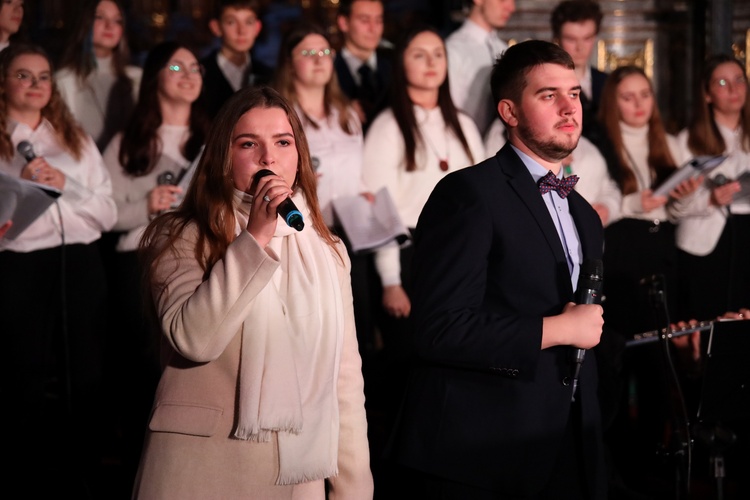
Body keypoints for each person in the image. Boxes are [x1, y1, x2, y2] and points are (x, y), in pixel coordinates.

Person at [385, 39, 606, 499]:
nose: (569, 108)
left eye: (574, 93)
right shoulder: (468, 193)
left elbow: (588, 328)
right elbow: (439, 329)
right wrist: (556, 329)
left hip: (561, 447)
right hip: (477, 453)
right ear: (509, 112)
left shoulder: (584, 213)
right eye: (549, 96)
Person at [132, 86, 373, 498]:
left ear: (299, 155)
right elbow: (195, 339)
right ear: (224, 157)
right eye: (249, 144)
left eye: (282, 142)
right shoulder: (182, 236)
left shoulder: (327, 250)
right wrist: (254, 239)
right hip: (203, 469)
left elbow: (345, 381)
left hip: (296, 475)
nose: (269, 158)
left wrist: (354, 489)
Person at [0, 43, 117, 495]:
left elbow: (105, 214)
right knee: (22, 376)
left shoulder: (73, 137)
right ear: (4, 82)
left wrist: (66, 184)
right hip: (19, 265)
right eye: (23, 75)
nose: (35, 84)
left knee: (84, 374)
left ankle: (82, 475)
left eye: (43, 76)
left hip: (80, 262)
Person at [361, 24, 484, 454]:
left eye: (438, 54)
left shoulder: (465, 124)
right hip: (410, 256)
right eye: (420, 54)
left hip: (461, 256)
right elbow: (377, 208)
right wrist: (391, 279)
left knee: (458, 366)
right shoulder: (388, 125)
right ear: (401, 64)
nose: (432, 63)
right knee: (409, 371)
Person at [101, 40, 208, 490]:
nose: (189, 74)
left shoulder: (213, 137)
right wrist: (145, 205)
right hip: (138, 264)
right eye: (177, 66)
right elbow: (101, 211)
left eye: (196, 67)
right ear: (155, 78)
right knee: (145, 375)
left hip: (199, 264)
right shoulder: (129, 141)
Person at [273, 22, 378, 356]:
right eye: (307, 53)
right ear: (290, 62)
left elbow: (358, 168)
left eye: (324, 52)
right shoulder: (281, 115)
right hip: (303, 230)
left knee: (355, 322)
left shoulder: (346, 113)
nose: (318, 60)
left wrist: (364, 192)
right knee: (312, 327)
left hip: (348, 230)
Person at [670, 54, 750, 322]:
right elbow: (673, 206)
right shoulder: (688, 140)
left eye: (739, 80)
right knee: (707, 324)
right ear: (707, 94)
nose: (734, 89)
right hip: (706, 246)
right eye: (723, 82)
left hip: (746, 236)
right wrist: (711, 199)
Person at [55, 0, 142, 152]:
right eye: (100, 17)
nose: (110, 26)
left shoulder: (136, 78)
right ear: (85, 23)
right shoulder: (64, 79)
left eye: (117, 20)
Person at [446, 0, 516, 135]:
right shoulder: (453, 50)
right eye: (503, 0)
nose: (511, 7)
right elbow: (451, 115)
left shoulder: (503, 49)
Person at [199, 0, 272, 121]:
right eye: (231, 22)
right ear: (216, 27)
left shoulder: (269, 76)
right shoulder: (200, 74)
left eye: (248, 22)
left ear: (257, 27)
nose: (241, 31)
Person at [334, 0, 392, 130]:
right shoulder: (329, 70)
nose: (373, 29)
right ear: (344, 23)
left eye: (378, 21)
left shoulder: (396, 67)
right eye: (365, 20)